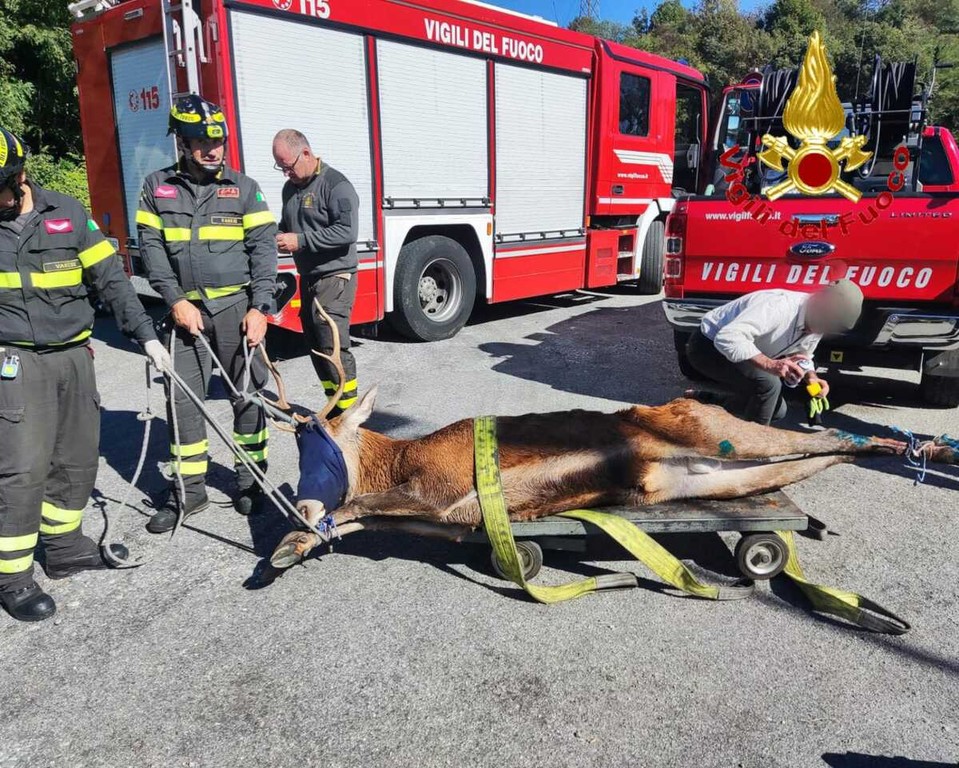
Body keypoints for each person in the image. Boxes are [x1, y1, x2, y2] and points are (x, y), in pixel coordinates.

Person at [0, 127, 169, 622]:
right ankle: (12, 576)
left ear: (20, 177)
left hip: (74, 355)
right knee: (22, 469)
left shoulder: (68, 214)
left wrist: (147, 337)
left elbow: (112, 281)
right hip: (16, 361)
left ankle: (64, 547)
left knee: (75, 458)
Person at [136, 96, 277, 530]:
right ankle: (189, 492)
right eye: (201, 141)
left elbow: (264, 251)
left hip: (236, 308)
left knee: (248, 396)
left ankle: (251, 481)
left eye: (218, 140)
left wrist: (260, 308)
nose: (213, 149)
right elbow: (151, 251)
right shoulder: (156, 187)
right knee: (182, 402)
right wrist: (176, 300)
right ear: (181, 142)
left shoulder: (245, 188)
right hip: (185, 314)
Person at [684, 280, 863, 425]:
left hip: (744, 350)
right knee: (769, 384)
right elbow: (727, 337)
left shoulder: (818, 321)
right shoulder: (779, 306)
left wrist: (812, 378)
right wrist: (771, 364)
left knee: (777, 411)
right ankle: (753, 448)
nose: (829, 327)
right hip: (707, 347)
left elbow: (804, 355)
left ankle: (706, 403)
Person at [272, 129, 359, 416]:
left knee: (331, 343)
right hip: (309, 277)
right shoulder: (290, 190)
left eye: (289, 166)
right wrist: (274, 234)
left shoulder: (336, 185)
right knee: (315, 343)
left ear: (306, 153)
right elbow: (288, 226)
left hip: (335, 276)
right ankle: (333, 406)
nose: (287, 174)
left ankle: (350, 416)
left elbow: (347, 232)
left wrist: (300, 241)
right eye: (281, 168)